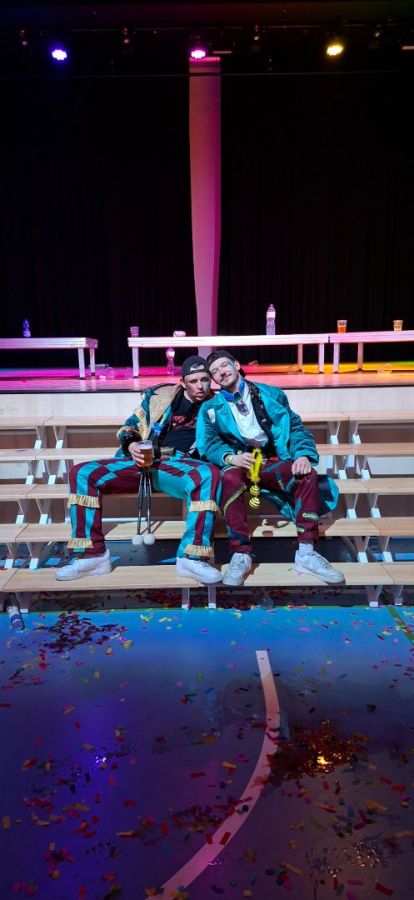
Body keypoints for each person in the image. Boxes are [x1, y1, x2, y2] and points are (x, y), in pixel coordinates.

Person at [56, 356, 222, 584]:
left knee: (208, 474)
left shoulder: (218, 406)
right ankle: (92, 556)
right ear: (183, 382)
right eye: (194, 381)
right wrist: (132, 444)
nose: (200, 386)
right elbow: (130, 426)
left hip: (181, 467)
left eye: (205, 380)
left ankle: (192, 558)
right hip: (143, 460)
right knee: (82, 473)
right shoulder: (161, 397)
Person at [196, 350, 344, 587]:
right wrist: (231, 457)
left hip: (273, 460)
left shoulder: (271, 394)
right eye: (214, 371)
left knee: (307, 474)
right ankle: (240, 553)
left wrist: (302, 455)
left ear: (236, 365)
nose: (221, 373)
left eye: (224, 366)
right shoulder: (210, 408)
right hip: (242, 463)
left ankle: (306, 553)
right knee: (229, 478)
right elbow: (209, 443)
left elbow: (295, 427)